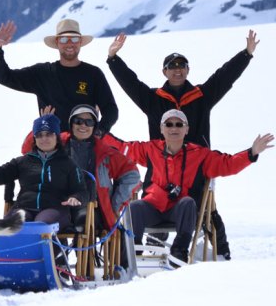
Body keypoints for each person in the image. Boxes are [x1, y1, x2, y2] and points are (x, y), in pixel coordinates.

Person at [106, 29, 259, 259]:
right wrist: (113, 60)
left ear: (188, 70)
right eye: (172, 67)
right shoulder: (153, 99)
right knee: (156, 198)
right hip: (161, 163)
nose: (177, 70)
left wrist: (246, 54)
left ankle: (221, 253)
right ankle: (150, 249)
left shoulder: (201, 96)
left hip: (198, 166)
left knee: (205, 208)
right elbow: (131, 84)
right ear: (164, 71)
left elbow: (224, 77)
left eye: (182, 66)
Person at [103, 109, 273, 265]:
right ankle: (132, 253)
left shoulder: (200, 154)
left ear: (186, 129)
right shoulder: (150, 149)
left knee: (188, 203)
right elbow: (122, 148)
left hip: (181, 212)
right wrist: (98, 132)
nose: (173, 128)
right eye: (169, 124)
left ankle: (179, 252)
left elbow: (227, 164)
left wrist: (251, 153)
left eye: (179, 124)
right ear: (161, 129)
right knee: (135, 207)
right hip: (153, 208)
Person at [21, 105, 140, 233]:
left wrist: (115, 204)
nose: (83, 125)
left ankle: (83, 245)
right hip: (56, 204)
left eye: (89, 122)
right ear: (71, 124)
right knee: (41, 223)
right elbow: (28, 151)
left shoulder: (104, 152)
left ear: (94, 126)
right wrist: (44, 125)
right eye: (78, 121)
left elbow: (131, 174)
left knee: (83, 225)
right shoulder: (58, 142)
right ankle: (54, 245)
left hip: (90, 207)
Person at [0, 19, 119, 136]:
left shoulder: (93, 74)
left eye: (74, 39)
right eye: (63, 39)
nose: (69, 43)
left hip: (85, 145)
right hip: (51, 145)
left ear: (80, 42)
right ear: (57, 42)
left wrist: (100, 130)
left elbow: (110, 109)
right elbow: (4, 77)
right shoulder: (42, 73)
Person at [0, 114, 86, 229]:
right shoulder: (23, 161)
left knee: (40, 226)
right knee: (11, 225)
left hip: (54, 209)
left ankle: (47, 241)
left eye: (49, 134)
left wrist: (76, 197)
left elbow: (81, 191)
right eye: (39, 135)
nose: (44, 139)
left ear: (57, 136)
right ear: (35, 138)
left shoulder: (68, 164)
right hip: (24, 207)